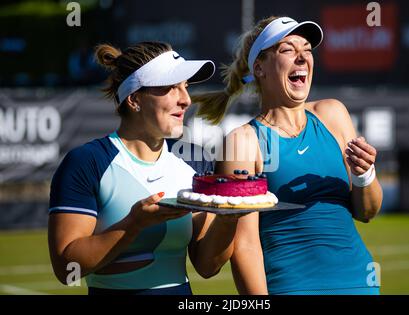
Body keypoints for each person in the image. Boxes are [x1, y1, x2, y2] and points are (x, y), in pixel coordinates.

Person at [192, 16, 383, 295]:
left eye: (307, 49)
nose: (303, 57)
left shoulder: (333, 114)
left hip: (360, 284)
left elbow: (367, 212)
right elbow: (245, 245)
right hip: (293, 287)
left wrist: (365, 174)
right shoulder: (243, 142)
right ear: (259, 67)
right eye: (288, 49)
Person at [48, 41, 240, 295]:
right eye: (170, 88)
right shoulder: (86, 162)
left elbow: (207, 265)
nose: (186, 100)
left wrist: (230, 218)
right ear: (134, 99)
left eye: (185, 87)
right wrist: (133, 224)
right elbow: (66, 268)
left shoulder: (195, 159)